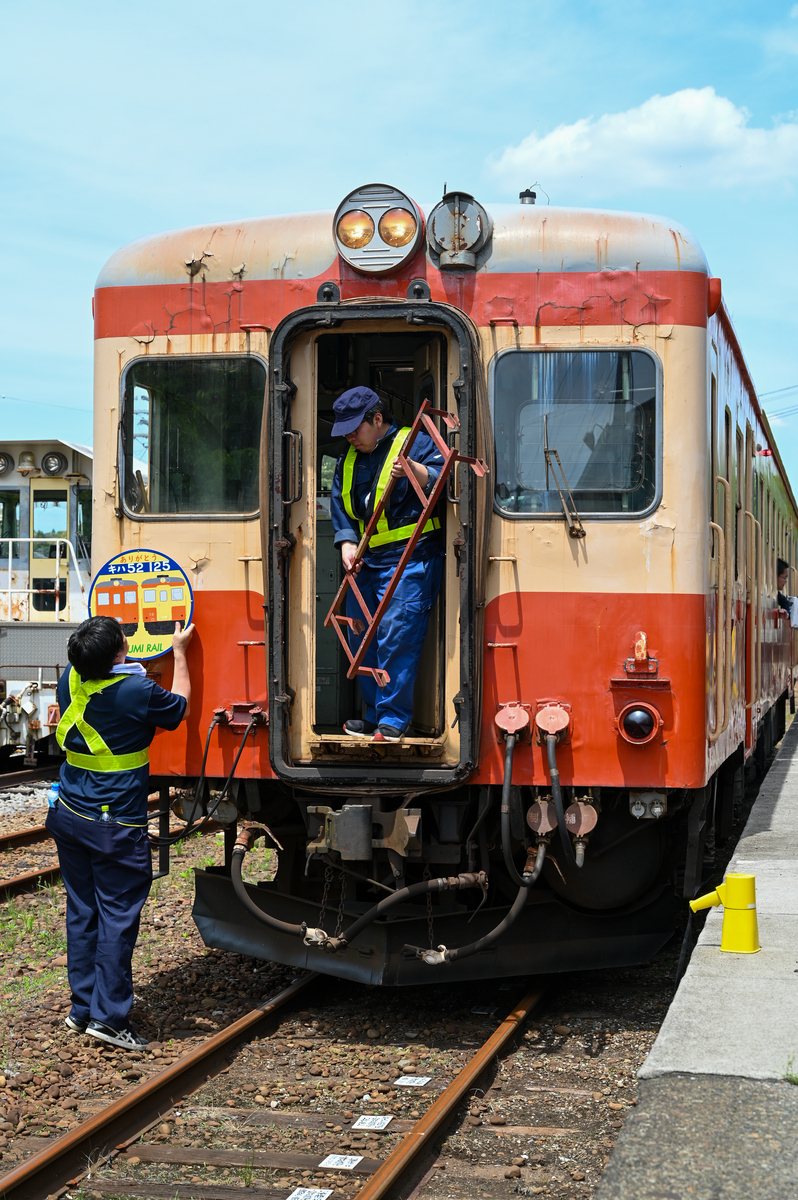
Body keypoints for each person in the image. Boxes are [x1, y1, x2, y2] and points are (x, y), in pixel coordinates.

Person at [46, 615, 193, 1049]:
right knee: (117, 914)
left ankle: (82, 1008)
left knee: (83, 911)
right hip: (113, 825)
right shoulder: (136, 691)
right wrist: (180, 652)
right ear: (118, 655)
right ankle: (109, 1019)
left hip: (69, 815)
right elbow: (180, 706)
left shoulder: (69, 681)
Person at [330, 386, 445, 742]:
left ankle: (393, 719)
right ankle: (375, 713)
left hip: (411, 558)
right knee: (360, 635)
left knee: (397, 636)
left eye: (355, 428)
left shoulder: (418, 443)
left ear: (377, 420)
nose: (349, 436)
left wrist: (415, 470)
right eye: (345, 430)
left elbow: (449, 481)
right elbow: (339, 504)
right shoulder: (346, 459)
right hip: (366, 562)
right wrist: (347, 542)